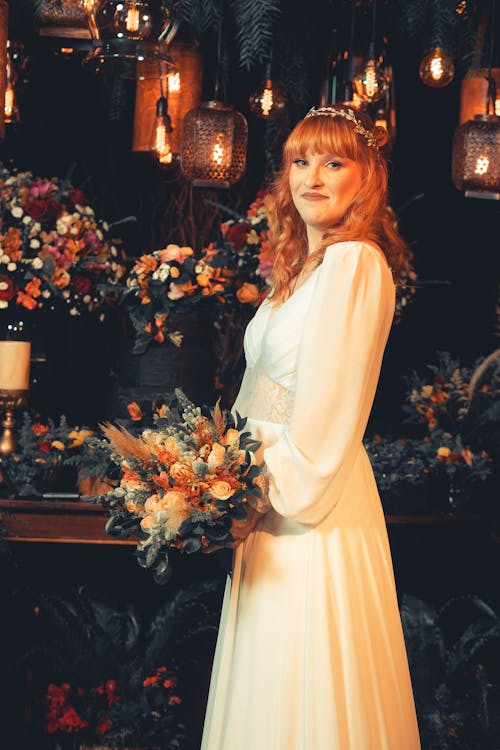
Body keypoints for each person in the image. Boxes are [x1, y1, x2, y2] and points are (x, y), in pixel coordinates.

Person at [200, 104, 421, 749]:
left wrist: (249, 475)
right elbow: (255, 393)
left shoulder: (354, 264)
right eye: (300, 161)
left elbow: (328, 417)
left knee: (305, 687)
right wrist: (210, 467)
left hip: (305, 505)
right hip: (264, 500)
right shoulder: (303, 271)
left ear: (366, 177)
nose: (312, 177)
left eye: (333, 162)